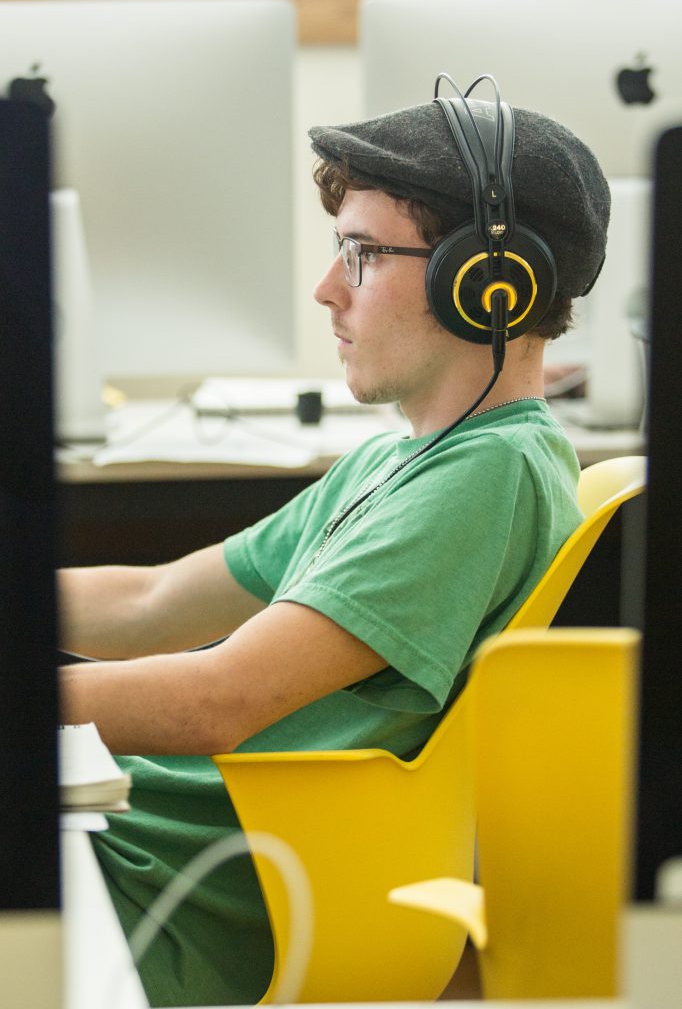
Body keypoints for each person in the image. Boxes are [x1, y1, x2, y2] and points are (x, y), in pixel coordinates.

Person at [58, 80, 611, 1006]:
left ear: (486, 282)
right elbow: (153, 603)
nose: (325, 290)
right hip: (130, 841)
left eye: (360, 253)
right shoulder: (399, 464)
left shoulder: (487, 477)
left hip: (168, 900)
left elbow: (214, 703)